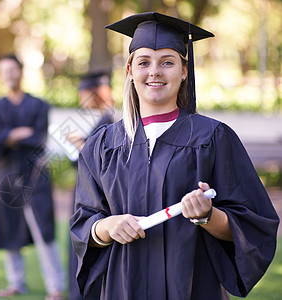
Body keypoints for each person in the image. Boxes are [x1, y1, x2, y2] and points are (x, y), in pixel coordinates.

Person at [69, 12, 279, 300]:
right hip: (123, 286)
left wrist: (208, 215)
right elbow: (83, 223)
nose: (155, 71)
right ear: (130, 71)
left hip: (193, 285)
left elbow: (254, 225)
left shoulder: (213, 138)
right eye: (144, 62)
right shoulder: (103, 145)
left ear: (184, 70)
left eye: (167, 62)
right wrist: (107, 226)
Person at [0, 54, 65, 300]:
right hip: (6, 174)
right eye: (4, 70)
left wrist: (6, 137)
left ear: (21, 71)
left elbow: (38, 138)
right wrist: (17, 134)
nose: (9, 74)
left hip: (34, 175)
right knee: (10, 233)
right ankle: (16, 282)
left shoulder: (38, 105)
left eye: (13, 69)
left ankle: (55, 287)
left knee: (43, 231)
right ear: (0, 75)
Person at [66, 71, 116, 300]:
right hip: (88, 191)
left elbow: (102, 159)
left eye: (84, 94)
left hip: (96, 195)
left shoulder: (108, 120)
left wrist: (81, 145)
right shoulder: (101, 119)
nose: (81, 99)